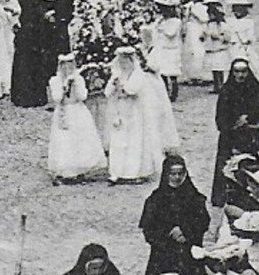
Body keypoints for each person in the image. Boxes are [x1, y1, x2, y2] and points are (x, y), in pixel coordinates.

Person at [139, 155, 211, 275]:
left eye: (180, 173)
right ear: (166, 174)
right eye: (173, 173)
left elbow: (203, 221)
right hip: (164, 253)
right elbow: (149, 229)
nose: (177, 177)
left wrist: (185, 232)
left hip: (188, 250)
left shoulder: (194, 197)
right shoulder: (155, 200)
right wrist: (169, 233)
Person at [103, 47, 172, 184]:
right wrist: (113, 84)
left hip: (134, 111)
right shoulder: (116, 74)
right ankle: (117, 172)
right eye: (121, 61)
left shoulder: (139, 75)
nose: (123, 65)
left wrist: (121, 86)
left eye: (126, 61)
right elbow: (107, 92)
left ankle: (133, 172)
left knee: (134, 141)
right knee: (119, 141)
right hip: (119, 110)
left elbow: (132, 90)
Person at [212, 59, 259, 206]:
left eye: (243, 71)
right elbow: (220, 118)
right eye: (237, 71)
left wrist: (248, 117)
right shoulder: (226, 91)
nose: (240, 75)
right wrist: (233, 125)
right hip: (230, 137)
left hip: (250, 137)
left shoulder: (256, 89)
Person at [46, 54, 107, 183]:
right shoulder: (55, 80)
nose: (67, 69)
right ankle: (66, 170)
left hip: (77, 111)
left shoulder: (78, 79)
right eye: (64, 66)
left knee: (80, 139)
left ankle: (80, 168)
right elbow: (56, 98)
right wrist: (64, 87)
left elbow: (83, 96)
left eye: (70, 65)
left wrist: (75, 86)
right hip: (64, 112)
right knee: (65, 140)